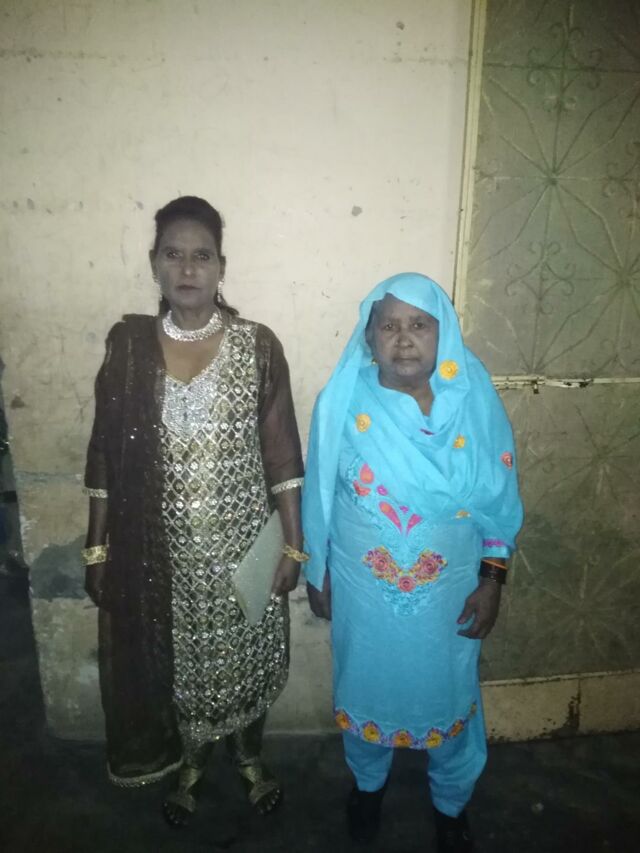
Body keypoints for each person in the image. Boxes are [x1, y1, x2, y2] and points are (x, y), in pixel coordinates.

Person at [83, 196, 305, 826]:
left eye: (201, 256)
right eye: (173, 255)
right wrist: (97, 550)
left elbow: (283, 455)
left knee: (247, 659)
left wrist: (293, 546)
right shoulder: (130, 350)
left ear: (221, 266)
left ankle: (250, 758)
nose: (187, 269)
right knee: (183, 669)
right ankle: (191, 763)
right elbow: (103, 455)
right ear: (154, 263)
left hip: (247, 550)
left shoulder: (257, 346)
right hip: (162, 558)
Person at [303, 273, 523, 852]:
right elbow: (319, 494)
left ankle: (450, 804)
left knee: (449, 693)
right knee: (364, 684)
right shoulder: (343, 403)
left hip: (448, 595)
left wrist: (492, 579)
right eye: (390, 326)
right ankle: (367, 787)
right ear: (368, 336)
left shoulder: (473, 401)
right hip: (364, 592)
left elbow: (497, 500)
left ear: (442, 333)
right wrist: (316, 570)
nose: (404, 339)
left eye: (419, 325)